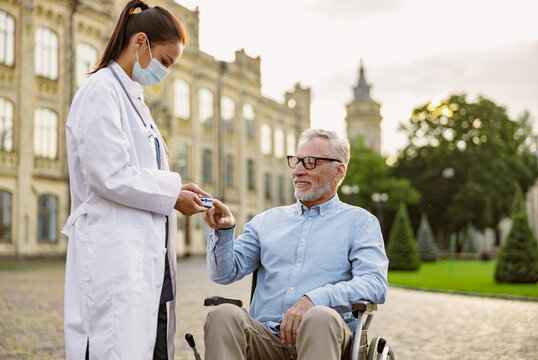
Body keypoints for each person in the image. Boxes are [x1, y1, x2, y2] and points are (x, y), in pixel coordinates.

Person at [62, 1, 209, 359]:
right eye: (165, 61)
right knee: (113, 346)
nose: (166, 72)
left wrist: (177, 188)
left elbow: (142, 174)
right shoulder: (101, 92)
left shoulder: (137, 103)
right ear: (140, 42)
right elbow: (108, 174)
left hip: (144, 261)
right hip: (114, 255)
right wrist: (172, 193)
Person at [203, 128, 389, 360]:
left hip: (326, 338)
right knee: (222, 315)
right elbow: (224, 274)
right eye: (296, 161)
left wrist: (315, 299)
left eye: (311, 162)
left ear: (338, 171)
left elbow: (375, 284)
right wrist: (223, 232)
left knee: (320, 316)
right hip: (266, 338)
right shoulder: (266, 221)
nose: (298, 171)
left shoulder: (360, 223)